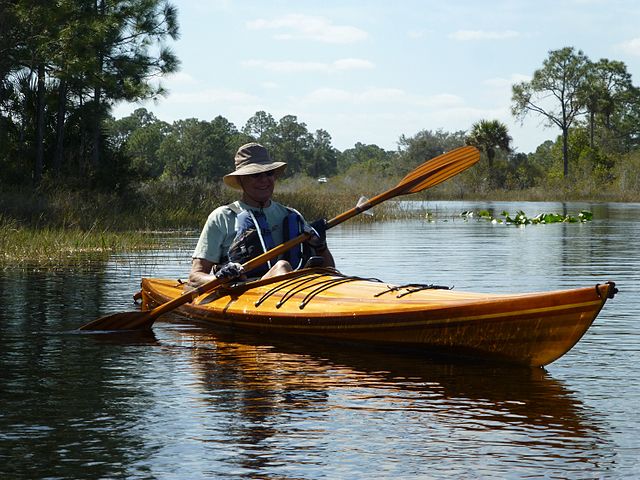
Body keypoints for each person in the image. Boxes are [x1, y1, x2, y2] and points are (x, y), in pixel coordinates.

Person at [189, 142, 334, 287]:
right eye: (255, 175)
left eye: (269, 173)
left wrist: (321, 246)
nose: (264, 180)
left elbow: (330, 271)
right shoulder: (222, 217)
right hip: (246, 293)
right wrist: (220, 278)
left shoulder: (292, 215)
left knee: (283, 267)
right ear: (241, 180)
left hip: (294, 292)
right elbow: (195, 276)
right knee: (282, 266)